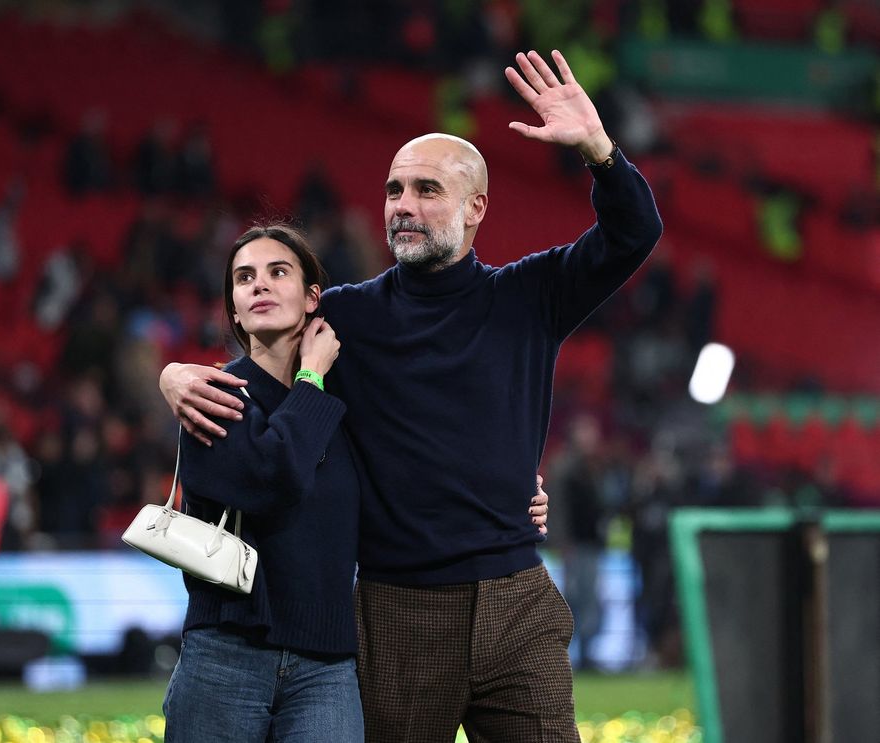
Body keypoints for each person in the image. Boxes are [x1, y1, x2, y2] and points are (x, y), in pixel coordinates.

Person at [161, 49, 662, 742]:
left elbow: (635, 234)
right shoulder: (343, 316)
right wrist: (177, 375)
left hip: (516, 595)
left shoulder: (529, 297)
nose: (403, 206)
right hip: (397, 609)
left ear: (475, 205)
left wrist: (602, 154)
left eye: (427, 189)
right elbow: (262, 343)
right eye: (394, 189)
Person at [161, 224, 365, 741]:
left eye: (279, 272)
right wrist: (312, 378)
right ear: (233, 307)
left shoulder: (349, 407)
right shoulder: (212, 393)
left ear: (312, 297)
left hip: (327, 665)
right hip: (225, 656)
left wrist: (515, 497)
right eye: (244, 277)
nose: (260, 285)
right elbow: (276, 479)